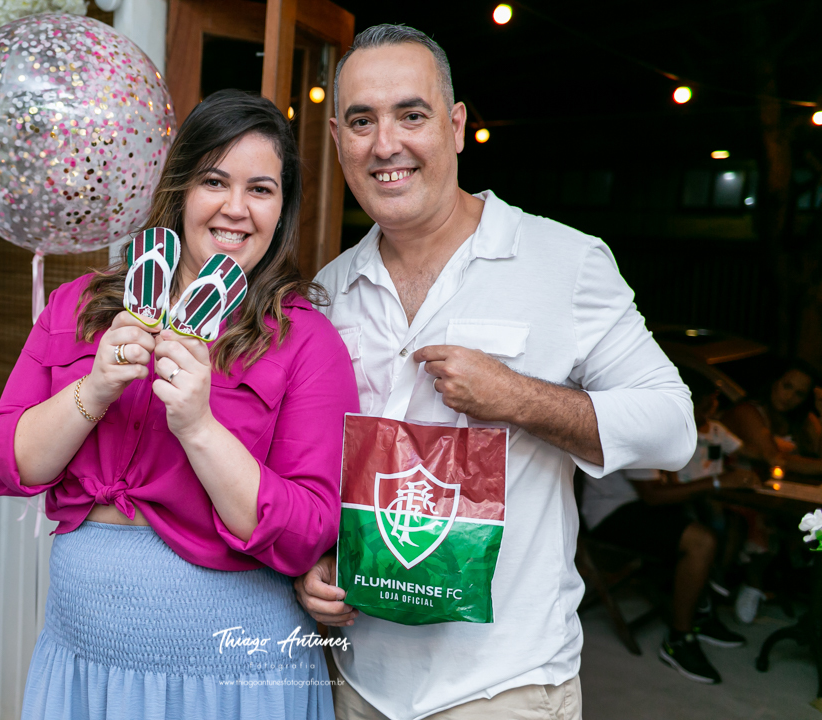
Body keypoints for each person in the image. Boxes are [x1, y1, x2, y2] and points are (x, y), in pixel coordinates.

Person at [294, 25, 695, 720]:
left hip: (505, 687)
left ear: (455, 127)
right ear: (337, 139)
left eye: (411, 115)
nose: (385, 144)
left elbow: (673, 429)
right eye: (362, 121)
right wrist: (316, 559)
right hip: (358, 681)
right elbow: (324, 464)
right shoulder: (328, 292)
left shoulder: (564, 261)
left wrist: (518, 398)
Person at [0, 90, 359, 720]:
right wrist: (95, 389)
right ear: (180, 189)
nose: (236, 208)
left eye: (261, 190)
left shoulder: (305, 342)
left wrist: (199, 427)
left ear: (282, 209)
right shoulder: (80, 306)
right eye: (214, 181)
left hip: (234, 680)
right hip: (82, 668)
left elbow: (308, 532)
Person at [581, 367, 757, 685]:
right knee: (700, 540)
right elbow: (653, 496)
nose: (709, 414)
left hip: (637, 504)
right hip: (610, 512)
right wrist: (717, 482)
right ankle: (678, 639)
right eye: (704, 405)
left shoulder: (668, 427)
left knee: (718, 518)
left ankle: (701, 611)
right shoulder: (639, 425)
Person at [722, 361, 821, 623]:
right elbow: (774, 457)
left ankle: (804, 580)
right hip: (733, 489)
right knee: (767, 519)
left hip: (773, 491)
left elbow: (815, 452)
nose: (789, 397)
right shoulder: (748, 412)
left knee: (814, 522)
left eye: (799, 393)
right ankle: (752, 585)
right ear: (774, 382)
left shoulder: (800, 420)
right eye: (786, 386)